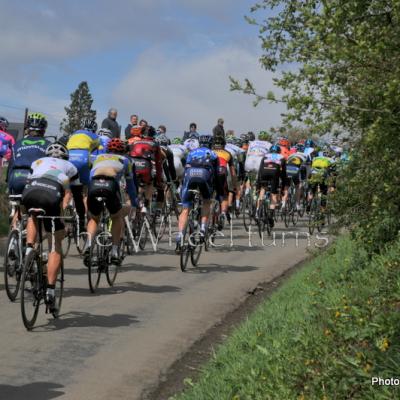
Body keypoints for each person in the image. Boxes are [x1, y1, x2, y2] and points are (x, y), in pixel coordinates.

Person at [22, 143, 78, 312]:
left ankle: (29, 250)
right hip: (51, 195)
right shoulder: (69, 168)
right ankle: (51, 291)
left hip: (30, 191)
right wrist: (67, 216)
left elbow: (28, 180)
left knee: (32, 215)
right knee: (55, 243)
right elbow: (68, 195)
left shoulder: (38, 162)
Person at [85, 138, 137, 265]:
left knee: (94, 218)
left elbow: (89, 173)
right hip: (111, 186)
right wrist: (134, 202)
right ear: (123, 151)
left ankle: (88, 245)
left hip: (94, 185)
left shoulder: (96, 157)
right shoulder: (126, 160)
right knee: (116, 216)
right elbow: (130, 185)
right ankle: (114, 251)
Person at [176, 134, 220, 252]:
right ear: (211, 144)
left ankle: (180, 236)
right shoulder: (214, 154)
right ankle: (203, 229)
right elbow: (217, 175)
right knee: (206, 202)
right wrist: (217, 190)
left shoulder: (191, 152)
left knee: (185, 209)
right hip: (204, 176)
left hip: (190, 175)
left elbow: (185, 169)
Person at [66, 119, 100, 232]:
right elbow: (97, 150)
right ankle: (84, 218)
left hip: (69, 157)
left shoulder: (75, 133)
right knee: (87, 188)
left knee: (70, 187)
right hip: (83, 157)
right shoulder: (95, 136)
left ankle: (66, 206)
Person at [256, 144, 287, 227]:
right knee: (273, 194)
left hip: (264, 173)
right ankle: (270, 214)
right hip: (274, 173)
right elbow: (284, 175)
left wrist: (258, 185)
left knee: (263, 189)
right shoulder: (282, 157)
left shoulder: (265, 156)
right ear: (279, 151)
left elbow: (260, 171)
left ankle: (258, 210)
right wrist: (283, 187)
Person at [212, 135, 237, 229]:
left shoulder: (210, 152)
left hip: (210, 175)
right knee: (223, 195)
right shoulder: (228, 153)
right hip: (221, 175)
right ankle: (223, 213)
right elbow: (233, 173)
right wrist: (235, 186)